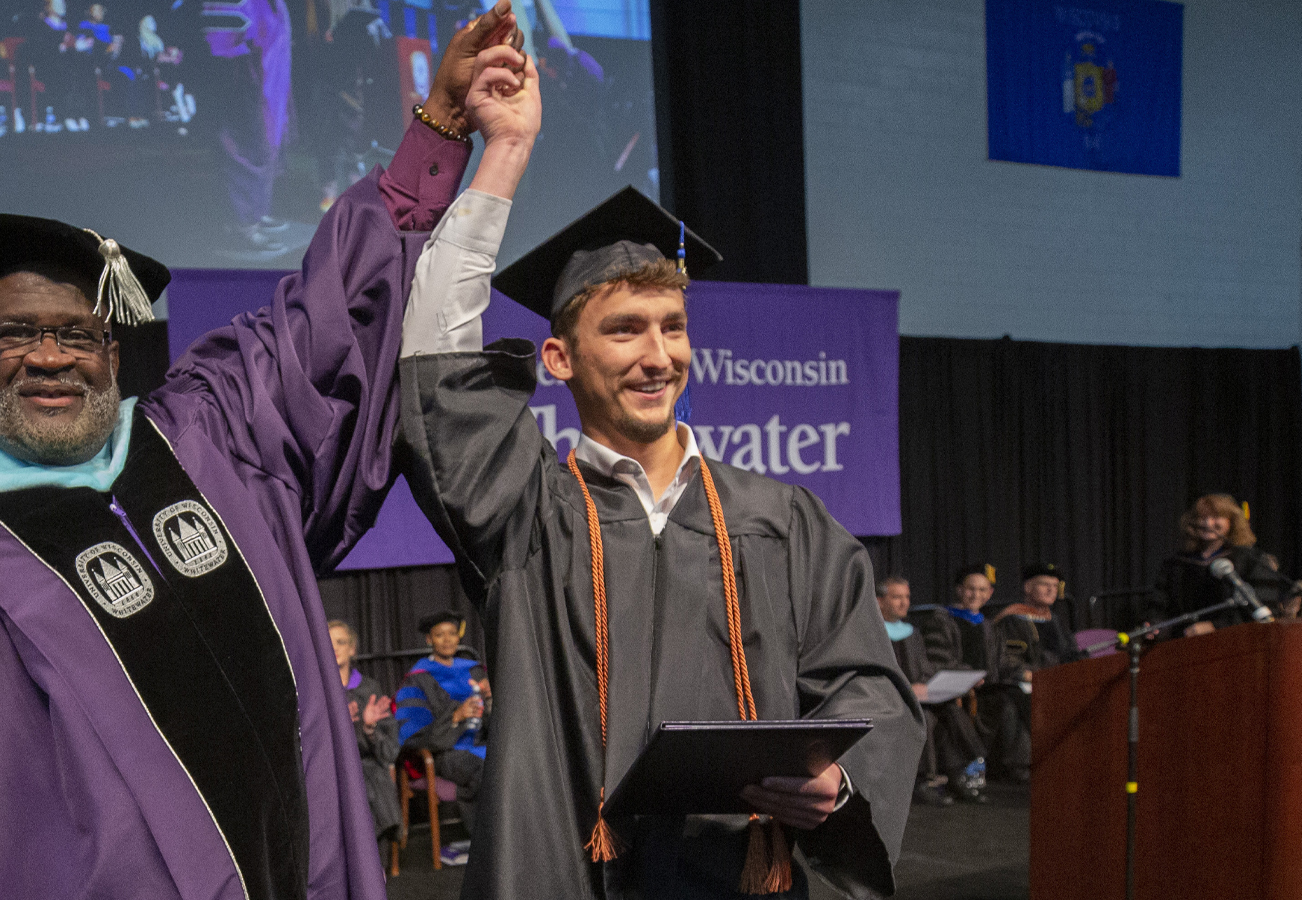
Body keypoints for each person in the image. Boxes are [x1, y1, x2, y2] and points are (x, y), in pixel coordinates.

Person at [0, 11, 531, 899]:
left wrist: (440, 129)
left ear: (114, 353)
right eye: (14, 334)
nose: (48, 356)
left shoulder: (208, 446)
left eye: (76, 334)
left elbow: (327, 319)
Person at [391, 84, 922, 893]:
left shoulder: (780, 519)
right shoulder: (526, 511)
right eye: (624, 328)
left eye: (672, 326)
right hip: (577, 870)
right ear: (560, 359)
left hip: (742, 875)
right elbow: (439, 366)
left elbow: (869, 689)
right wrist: (501, 154)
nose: (658, 354)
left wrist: (839, 785)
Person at [878, 576, 985, 807]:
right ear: (878, 601)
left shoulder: (911, 632)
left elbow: (925, 668)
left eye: (907, 597)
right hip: (889, 699)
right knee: (924, 717)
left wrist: (937, 683)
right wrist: (907, 689)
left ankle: (960, 773)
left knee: (951, 710)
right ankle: (921, 782)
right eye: (896, 597)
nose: (904, 603)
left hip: (920, 696)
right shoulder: (873, 633)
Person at [394, 611, 489, 850]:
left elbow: (499, 719)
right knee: (488, 768)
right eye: (439, 635)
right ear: (429, 640)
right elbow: (413, 737)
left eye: (452, 633)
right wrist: (456, 716)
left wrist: (489, 701)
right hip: (443, 753)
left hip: (481, 743)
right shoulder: (417, 679)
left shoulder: (475, 670)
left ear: (459, 637)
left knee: (518, 761)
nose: (447, 640)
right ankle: (486, 844)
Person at [907, 565, 1000, 801]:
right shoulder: (941, 620)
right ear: (960, 590)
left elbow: (1000, 662)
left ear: (989, 593)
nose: (976, 595)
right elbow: (937, 659)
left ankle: (966, 774)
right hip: (952, 686)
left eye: (982, 590)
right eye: (971, 589)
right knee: (949, 712)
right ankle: (965, 772)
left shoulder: (988, 625)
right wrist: (967, 676)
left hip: (982, 688)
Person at [982, 563, 1081, 783]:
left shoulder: (1056, 620)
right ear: (1028, 588)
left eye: (1055, 586)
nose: (1051, 590)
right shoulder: (1013, 618)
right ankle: (1024, 764)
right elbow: (1007, 659)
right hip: (1025, 681)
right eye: (1044, 585)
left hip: (1057, 679)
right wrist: (1029, 674)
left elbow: (1071, 653)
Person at [1147, 493, 1291, 637]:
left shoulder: (1252, 561)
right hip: (1183, 645)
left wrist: (1215, 626)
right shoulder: (1177, 564)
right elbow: (1160, 606)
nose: (1208, 523)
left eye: (1216, 517)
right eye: (1202, 517)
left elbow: (1264, 613)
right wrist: (1154, 625)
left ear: (1232, 521)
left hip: (1236, 646)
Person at [332, 620, 401, 845]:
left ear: (352, 649)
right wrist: (338, 725)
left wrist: (369, 729)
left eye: (341, 642)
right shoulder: (315, 693)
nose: (334, 648)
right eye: (328, 642)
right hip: (329, 770)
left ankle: (374, 868)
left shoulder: (369, 689)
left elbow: (389, 752)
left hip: (367, 767)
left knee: (368, 782)